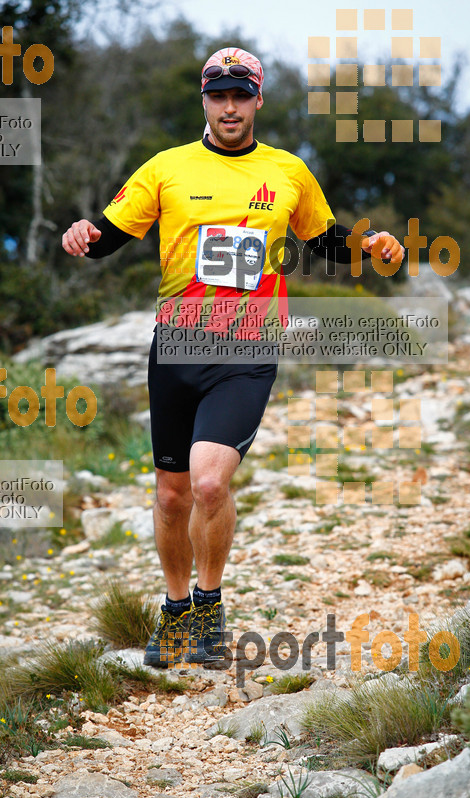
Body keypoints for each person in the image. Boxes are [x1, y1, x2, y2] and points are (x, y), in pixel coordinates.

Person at [62, 46, 405, 669]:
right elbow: (109, 236)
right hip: (177, 346)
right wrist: (82, 236)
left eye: (239, 95)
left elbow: (326, 241)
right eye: (218, 95)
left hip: (246, 348)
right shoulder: (166, 169)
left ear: (257, 101)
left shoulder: (289, 171)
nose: (229, 106)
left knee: (210, 483)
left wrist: (372, 245)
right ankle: (174, 615)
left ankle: (209, 608)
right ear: (204, 100)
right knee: (171, 496)